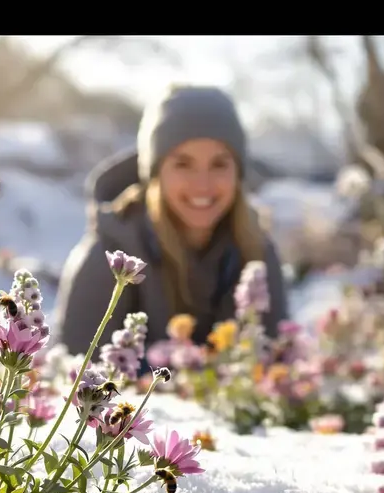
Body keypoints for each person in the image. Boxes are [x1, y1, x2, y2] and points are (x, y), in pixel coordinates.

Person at [53, 84, 290, 362]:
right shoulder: (110, 255)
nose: (202, 185)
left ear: (238, 173)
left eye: (219, 164)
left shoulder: (257, 251)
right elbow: (80, 375)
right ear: (154, 173)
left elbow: (276, 364)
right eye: (183, 164)